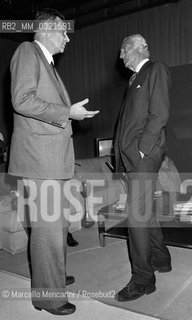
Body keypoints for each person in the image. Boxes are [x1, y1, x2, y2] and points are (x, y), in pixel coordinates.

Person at [8, 8, 99, 315]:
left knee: (55, 228)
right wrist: (67, 113)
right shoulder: (27, 51)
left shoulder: (47, 63)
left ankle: (54, 278)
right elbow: (21, 99)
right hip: (39, 161)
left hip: (51, 161)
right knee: (48, 230)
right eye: (63, 32)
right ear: (46, 30)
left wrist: (70, 113)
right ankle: (47, 296)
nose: (67, 39)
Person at [114, 34, 171, 302]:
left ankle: (143, 280)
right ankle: (162, 259)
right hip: (134, 157)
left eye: (125, 49)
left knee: (135, 216)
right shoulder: (134, 79)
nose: (121, 55)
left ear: (141, 48)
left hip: (144, 155)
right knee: (144, 212)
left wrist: (139, 150)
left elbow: (159, 113)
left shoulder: (155, 69)